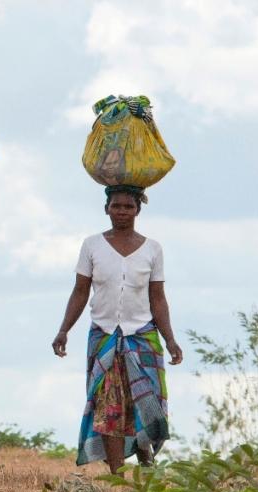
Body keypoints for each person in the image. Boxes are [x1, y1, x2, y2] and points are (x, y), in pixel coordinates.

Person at [52, 186, 182, 474]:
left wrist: (170, 339)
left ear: (138, 210)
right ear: (106, 208)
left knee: (143, 402)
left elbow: (157, 298)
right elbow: (80, 291)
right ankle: (117, 475)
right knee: (108, 405)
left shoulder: (152, 249)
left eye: (128, 206)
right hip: (105, 335)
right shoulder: (92, 246)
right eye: (116, 206)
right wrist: (64, 330)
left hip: (142, 337)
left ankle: (147, 466)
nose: (121, 212)